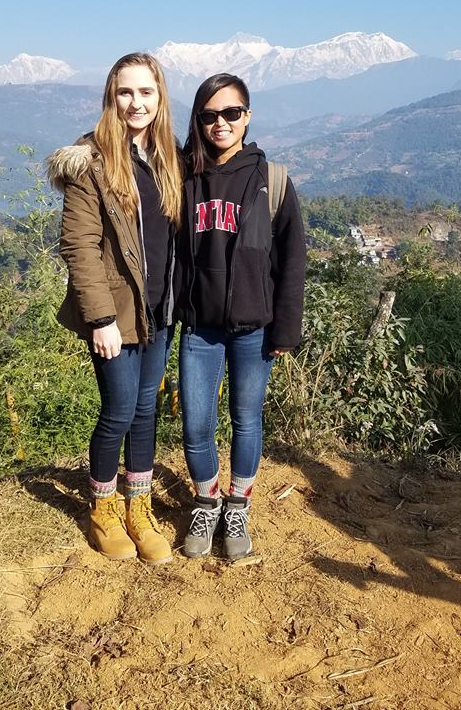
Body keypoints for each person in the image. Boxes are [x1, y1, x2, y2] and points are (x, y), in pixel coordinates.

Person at [46, 53, 182, 565]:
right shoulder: (93, 162)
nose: (136, 102)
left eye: (146, 92)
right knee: (120, 409)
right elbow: (79, 246)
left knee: (146, 410)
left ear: (160, 96)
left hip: (160, 310)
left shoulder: (168, 157)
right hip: (116, 314)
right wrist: (100, 318)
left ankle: (137, 507)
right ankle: (103, 508)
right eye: (126, 92)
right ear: (111, 96)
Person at [176, 73, 306, 560]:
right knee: (196, 425)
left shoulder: (272, 180)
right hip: (200, 328)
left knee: (246, 420)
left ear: (248, 117)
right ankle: (206, 501)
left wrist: (285, 329)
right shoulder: (185, 178)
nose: (221, 123)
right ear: (199, 120)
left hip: (254, 328)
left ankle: (238, 505)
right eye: (210, 115)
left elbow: (292, 260)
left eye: (231, 113)